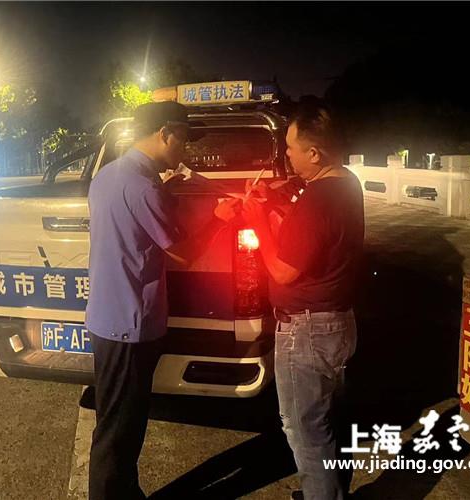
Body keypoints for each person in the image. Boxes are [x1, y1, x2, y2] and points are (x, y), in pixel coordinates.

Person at [85, 101, 240, 500]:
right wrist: (220, 218)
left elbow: (132, 225)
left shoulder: (108, 175)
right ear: (165, 134)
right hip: (130, 323)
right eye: (183, 139)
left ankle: (124, 491)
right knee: (120, 429)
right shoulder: (144, 187)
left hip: (106, 316)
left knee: (116, 419)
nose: (184, 149)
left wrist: (166, 192)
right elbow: (184, 254)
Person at [242, 102, 364, 500]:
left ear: (315, 153)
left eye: (291, 148)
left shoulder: (317, 199)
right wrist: (276, 203)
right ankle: (329, 490)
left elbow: (283, 271)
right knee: (329, 419)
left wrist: (255, 218)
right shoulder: (346, 183)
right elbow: (314, 239)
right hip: (338, 322)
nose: (286, 155)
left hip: (307, 328)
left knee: (303, 427)